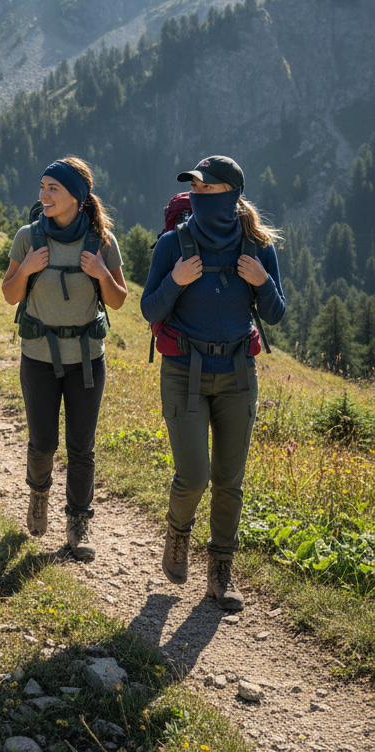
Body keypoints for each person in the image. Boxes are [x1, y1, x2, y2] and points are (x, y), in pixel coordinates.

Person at [141, 155, 285, 610]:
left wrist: (262, 282)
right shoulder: (171, 244)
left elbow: (277, 312)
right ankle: (178, 534)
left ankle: (221, 571)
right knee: (194, 476)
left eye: (208, 189)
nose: (199, 196)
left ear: (232, 194)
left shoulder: (258, 247)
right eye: (195, 190)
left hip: (239, 373)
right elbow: (149, 310)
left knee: (230, 479)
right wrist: (176, 282)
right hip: (184, 371)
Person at [1, 157, 127, 560]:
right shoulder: (28, 237)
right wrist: (27, 270)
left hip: (88, 358)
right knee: (42, 442)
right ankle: (39, 496)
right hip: (38, 355)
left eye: (53, 188)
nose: (44, 195)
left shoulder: (101, 240)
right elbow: (9, 294)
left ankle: (78, 521)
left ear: (77, 195)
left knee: (81, 446)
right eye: (42, 187)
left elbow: (119, 300)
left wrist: (101, 275)